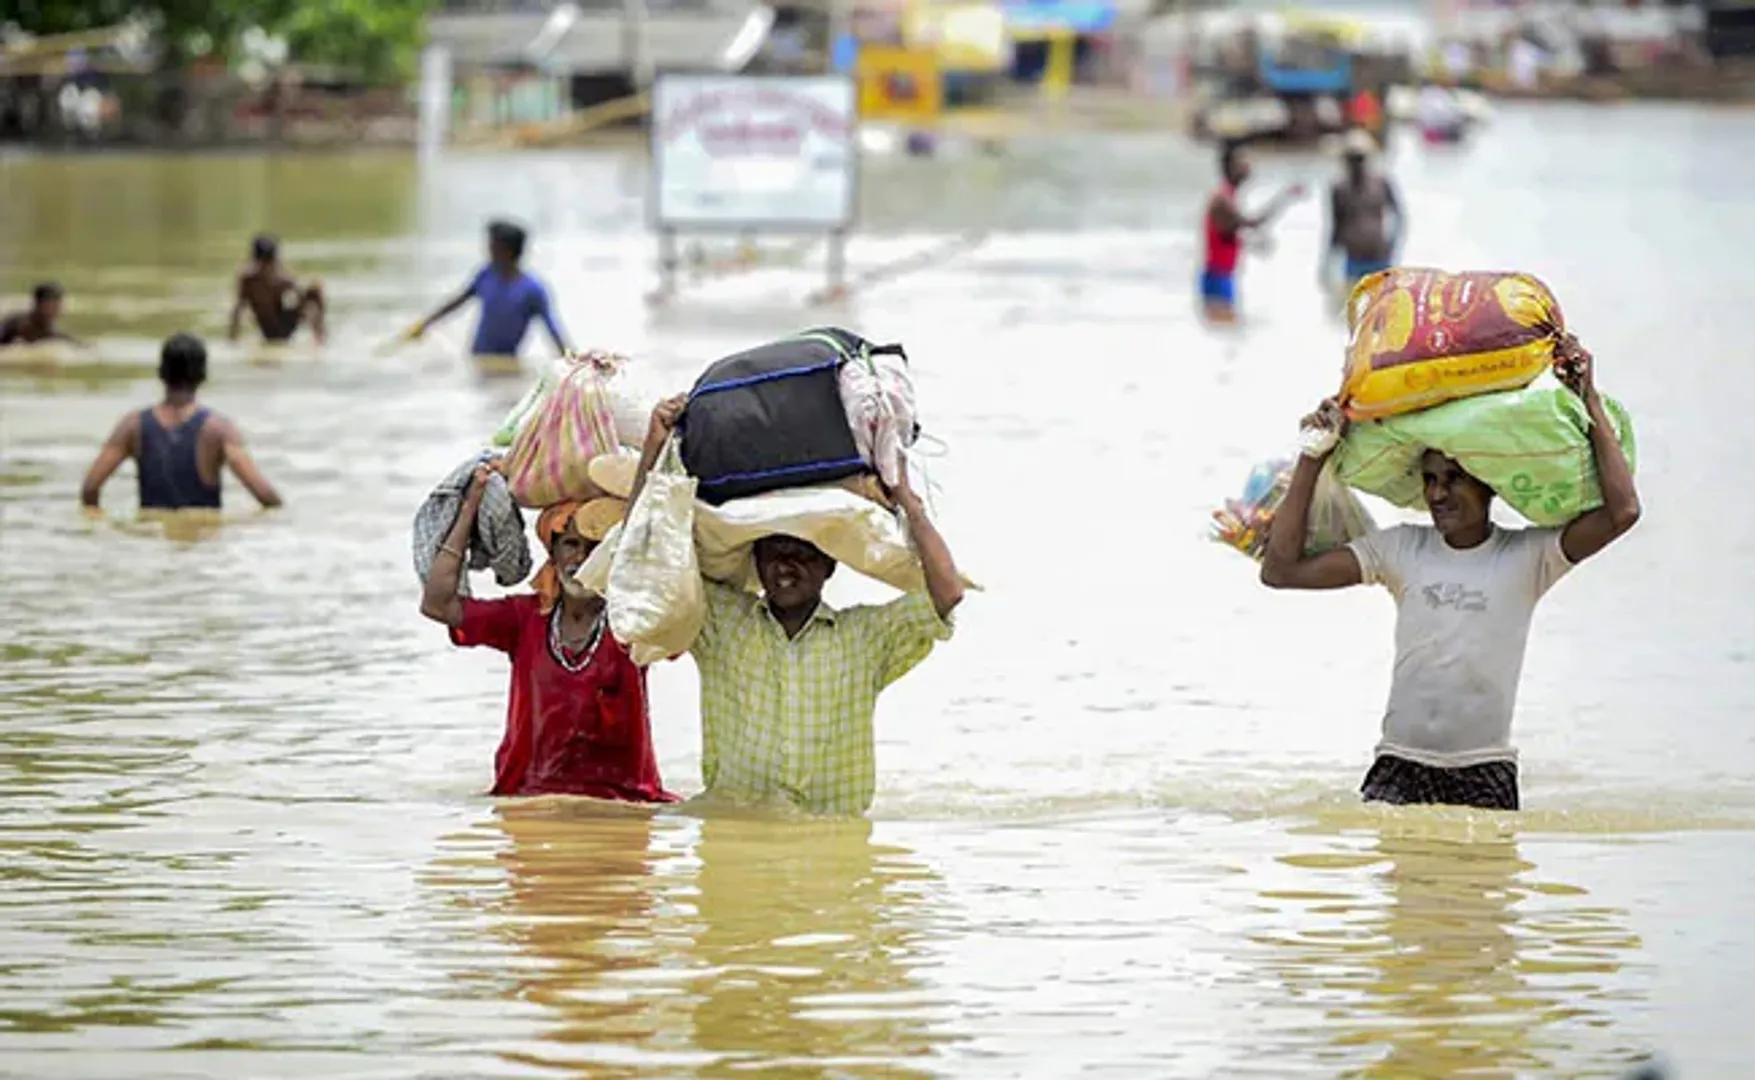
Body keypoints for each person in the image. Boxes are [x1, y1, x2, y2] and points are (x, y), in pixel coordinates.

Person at [1258, 337, 1640, 811]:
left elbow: (1622, 512)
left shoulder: (1529, 558)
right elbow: (1281, 571)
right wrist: (1312, 456)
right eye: (1431, 479)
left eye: (1454, 478)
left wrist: (1591, 401)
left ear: (1488, 484)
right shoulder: (1401, 549)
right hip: (1398, 767)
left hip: (1485, 772)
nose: (1438, 493)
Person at [627, 396, 966, 817]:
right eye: (773, 552)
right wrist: (655, 446)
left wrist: (906, 501)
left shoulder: (866, 637)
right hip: (738, 838)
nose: (786, 566)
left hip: (833, 842)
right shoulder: (721, 622)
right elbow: (645, 563)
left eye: (802, 553)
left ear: (829, 567)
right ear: (756, 562)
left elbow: (946, 594)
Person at [420, 477, 678, 802]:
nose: (581, 559)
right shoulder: (524, 618)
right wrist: (470, 508)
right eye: (571, 545)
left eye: (596, 547)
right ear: (553, 554)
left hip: (623, 803)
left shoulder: (634, 620)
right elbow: (438, 604)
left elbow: (683, 602)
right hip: (527, 798)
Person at [80, 333, 283, 513]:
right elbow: (266, 497)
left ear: (161, 372)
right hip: (201, 547)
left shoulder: (133, 425)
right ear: (203, 375)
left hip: (151, 543)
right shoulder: (219, 429)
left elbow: (90, 488)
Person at [411, 220, 570, 360]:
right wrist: (425, 324)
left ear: (506, 251)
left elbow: (552, 329)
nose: (487, 249)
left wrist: (570, 362)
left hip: (506, 363)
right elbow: (458, 302)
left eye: (492, 245)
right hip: (478, 358)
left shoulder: (533, 290)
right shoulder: (486, 275)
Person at [1201, 142, 1306, 324]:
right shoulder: (1222, 200)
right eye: (1242, 161)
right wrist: (1285, 197)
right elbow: (1254, 223)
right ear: (1229, 167)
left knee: (1225, 332)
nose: (1248, 166)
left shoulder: (1227, 197)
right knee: (1226, 330)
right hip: (1219, 278)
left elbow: (1229, 234)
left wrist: (1252, 244)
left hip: (1221, 276)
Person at [1322, 128, 1406, 298]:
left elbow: (1400, 217)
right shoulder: (1339, 189)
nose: (1355, 163)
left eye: (1359, 158)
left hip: (1380, 256)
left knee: (1382, 310)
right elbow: (1335, 226)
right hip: (1353, 258)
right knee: (1352, 312)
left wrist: (1393, 244)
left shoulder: (1382, 183)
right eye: (1352, 158)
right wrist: (1328, 262)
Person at [228, 235, 327, 345]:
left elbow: (299, 291)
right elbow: (238, 309)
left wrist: (302, 299)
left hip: (284, 325)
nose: (267, 269)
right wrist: (232, 339)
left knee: (315, 290)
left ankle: (320, 339)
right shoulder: (247, 280)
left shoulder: (282, 279)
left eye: (270, 264)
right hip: (267, 328)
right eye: (264, 265)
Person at [0, 282, 82, 347]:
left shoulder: (48, 328)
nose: (58, 311)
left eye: (58, 306)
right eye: (54, 306)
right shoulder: (17, 324)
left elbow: (57, 336)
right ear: (38, 305)